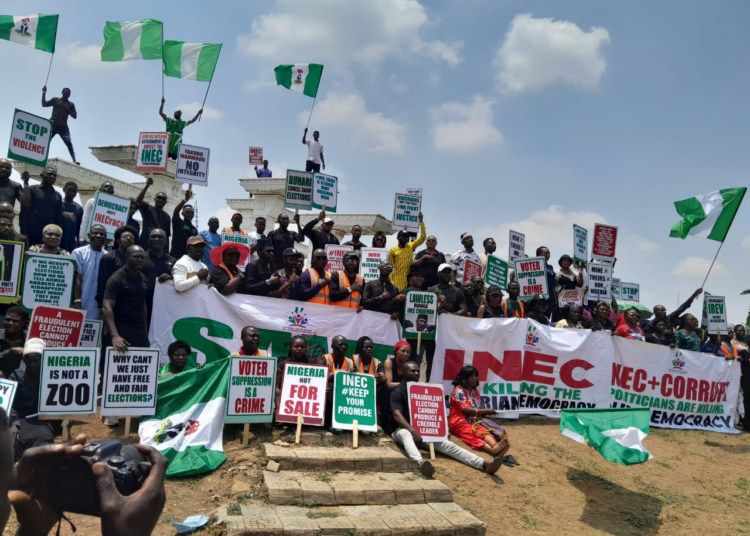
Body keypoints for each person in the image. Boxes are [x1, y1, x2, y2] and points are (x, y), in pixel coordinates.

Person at [391, 361, 503, 477]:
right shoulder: (397, 392)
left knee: (448, 445)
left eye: (418, 371)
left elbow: (434, 412)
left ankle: (483, 464)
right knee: (406, 434)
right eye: (413, 371)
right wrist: (413, 431)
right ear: (404, 372)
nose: (416, 373)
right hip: (401, 430)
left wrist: (443, 430)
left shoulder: (423, 390)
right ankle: (420, 463)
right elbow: (397, 415)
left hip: (423, 432)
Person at [9, 339, 61, 460]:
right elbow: (11, 403)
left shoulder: (55, 375)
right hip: (20, 419)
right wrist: (14, 423)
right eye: (28, 361)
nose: (32, 364)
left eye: (36, 360)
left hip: (44, 420)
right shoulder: (16, 375)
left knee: (43, 450)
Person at [449, 366, 511, 458]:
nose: (475, 378)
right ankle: (494, 451)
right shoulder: (458, 390)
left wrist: (486, 412)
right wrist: (485, 411)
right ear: (464, 378)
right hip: (459, 421)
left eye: (475, 376)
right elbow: (465, 410)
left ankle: (495, 446)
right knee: (472, 434)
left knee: (484, 431)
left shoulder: (475, 392)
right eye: (471, 376)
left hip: (474, 420)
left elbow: (477, 409)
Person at [103, 246, 149, 351]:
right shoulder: (116, 279)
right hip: (120, 330)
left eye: (142, 257)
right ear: (127, 257)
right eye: (136, 257)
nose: (140, 260)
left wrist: (145, 332)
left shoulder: (142, 278)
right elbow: (107, 307)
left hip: (139, 331)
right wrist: (115, 335)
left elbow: (143, 305)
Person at [96, 225, 138, 309]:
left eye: (131, 237)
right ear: (118, 240)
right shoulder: (108, 258)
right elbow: (102, 283)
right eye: (125, 237)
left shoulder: (138, 259)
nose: (128, 239)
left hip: (130, 305)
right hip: (111, 303)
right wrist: (102, 307)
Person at [19, 167, 62, 247]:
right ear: (41, 175)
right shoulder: (32, 189)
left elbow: (58, 217)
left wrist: (58, 234)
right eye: (49, 174)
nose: (52, 176)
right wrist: (23, 232)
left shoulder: (58, 195)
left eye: (54, 175)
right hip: (32, 234)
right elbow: (24, 212)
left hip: (50, 236)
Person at [73, 224, 107, 319]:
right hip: (81, 300)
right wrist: (77, 300)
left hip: (99, 303)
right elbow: (77, 278)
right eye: (95, 233)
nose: (98, 236)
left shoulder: (108, 256)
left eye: (102, 234)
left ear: (106, 237)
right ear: (88, 235)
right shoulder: (78, 252)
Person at [142, 229, 176, 326]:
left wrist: (170, 278)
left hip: (164, 307)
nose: (156, 239)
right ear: (149, 240)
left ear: (165, 241)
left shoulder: (173, 261)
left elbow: (179, 282)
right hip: (142, 304)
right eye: (153, 236)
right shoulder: (140, 257)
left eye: (160, 237)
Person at [41, 86, 79, 164]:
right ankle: (40, 156)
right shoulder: (56, 100)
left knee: (68, 143)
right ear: (62, 92)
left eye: (69, 93)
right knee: (46, 141)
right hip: (53, 125)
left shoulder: (71, 104)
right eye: (66, 92)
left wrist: (67, 109)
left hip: (63, 127)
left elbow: (75, 116)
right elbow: (44, 104)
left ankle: (74, 160)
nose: (67, 93)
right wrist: (44, 93)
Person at [388, 214, 425, 290]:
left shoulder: (411, 246)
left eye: (406, 236)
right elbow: (390, 267)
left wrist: (421, 222)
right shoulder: (393, 250)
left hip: (408, 282)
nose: (405, 238)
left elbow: (423, 237)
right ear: (398, 238)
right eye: (403, 236)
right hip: (396, 282)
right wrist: (391, 282)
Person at [135, 178, 171, 249]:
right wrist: (147, 185)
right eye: (159, 198)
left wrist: (166, 253)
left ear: (166, 202)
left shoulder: (167, 216)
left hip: (159, 248)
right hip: (145, 245)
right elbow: (138, 201)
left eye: (163, 199)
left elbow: (166, 236)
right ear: (154, 199)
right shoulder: (147, 208)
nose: (161, 200)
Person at [0, 307, 28, 379]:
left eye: (15, 321)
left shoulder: (30, 339)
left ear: (23, 323)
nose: (10, 323)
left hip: (24, 380)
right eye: (7, 320)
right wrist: (9, 351)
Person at [169, 190, 197, 259]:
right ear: (182, 214)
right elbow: (176, 212)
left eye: (191, 212)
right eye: (187, 212)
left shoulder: (194, 229)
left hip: (188, 258)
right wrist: (185, 200)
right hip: (175, 257)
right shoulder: (178, 222)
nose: (190, 214)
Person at [60, 182, 83, 253]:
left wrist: (79, 243)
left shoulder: (79, 208)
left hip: (71, 243)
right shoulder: (58, 204)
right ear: (64, 190)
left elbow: (79, 228)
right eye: (69, 190)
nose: (72, 193)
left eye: (74, 191)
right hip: (57, 240)